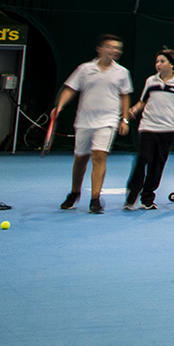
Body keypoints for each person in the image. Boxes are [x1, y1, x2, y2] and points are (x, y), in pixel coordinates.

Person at [48, 35, 133, 214]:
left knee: (99, 156)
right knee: (81, 159)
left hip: (108, 121)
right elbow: (70, 89)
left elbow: (125, 96)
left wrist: (124, 119)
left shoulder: (122, 72)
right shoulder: (84, 69)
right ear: (100, 49)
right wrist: (60, 106)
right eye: (111, 47)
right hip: (84, 121)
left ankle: (95, 199)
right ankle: (74, 193)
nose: (115, 51)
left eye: (118, 48)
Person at [123, 48, 174, 210]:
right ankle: (133, 194)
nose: (158, 65)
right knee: (143, 159)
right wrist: (133, 110)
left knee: (157, 164)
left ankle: (147, 198)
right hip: (148, 127)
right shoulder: (151, 81)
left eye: (162, 61)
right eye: (157, 61)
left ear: (172, 64)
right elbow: (143, 101)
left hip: (167, 130)